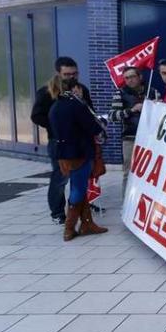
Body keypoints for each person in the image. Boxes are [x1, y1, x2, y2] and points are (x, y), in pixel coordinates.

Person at [30, 56, 93, 224]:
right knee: (60, 177)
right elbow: (36, 116)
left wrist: (82, 101)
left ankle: (79, 207)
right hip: (59, 142)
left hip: (80, 142)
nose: (71, 77)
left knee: (80, 176)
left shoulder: (82, 89)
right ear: (58, 73)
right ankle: (57, 212)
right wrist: (56, 127)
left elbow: (90, 114)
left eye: (75, 74)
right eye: (67, 74)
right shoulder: (46, 92)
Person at [48, 76, 108, 241]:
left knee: (78, 187)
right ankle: (69, 228)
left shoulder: (55, 106)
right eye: (78, 88)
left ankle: (87, 223)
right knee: (78, 190)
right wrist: (101, 126)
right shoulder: (75, 105)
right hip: (79, 152)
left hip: (63, 153)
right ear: (73, 88)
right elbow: (92, 127)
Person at [108, 66, 161, 191]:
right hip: (130, 139)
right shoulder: (120, 93)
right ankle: (126, 207)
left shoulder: (153, 92)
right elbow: (112, 117)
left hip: (151, 140)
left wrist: (153, 106)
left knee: (151, 173)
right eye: (126, 78)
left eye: (132, 76)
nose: (130, 80)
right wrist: (132, 110)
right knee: (129, 173)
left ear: (140, 77)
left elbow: (161, 114)